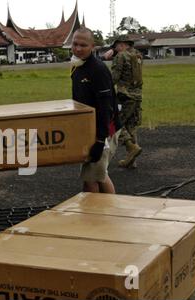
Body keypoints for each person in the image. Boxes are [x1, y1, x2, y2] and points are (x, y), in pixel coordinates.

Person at [70, 27, 122, 194]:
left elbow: (105, 107)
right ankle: (103, 212)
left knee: (92, 179)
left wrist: (100, 140)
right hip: (88, 129)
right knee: (95, 175)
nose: (78, 48)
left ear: (93, 46)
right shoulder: (77, 66)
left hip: (104, 130)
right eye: (75, 44)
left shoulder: (97, 69)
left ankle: (106, 213)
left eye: (83, 45)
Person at [103, 36, 143, 169]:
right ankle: (132, 160)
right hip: (137, 96)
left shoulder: (121, 56)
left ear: (123, 44)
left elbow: (114, 77)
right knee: (131, 125)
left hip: (125, 95)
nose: (115, 48)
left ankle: (132, 147)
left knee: (115, 123)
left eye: (117, 46)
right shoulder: (138, 55)